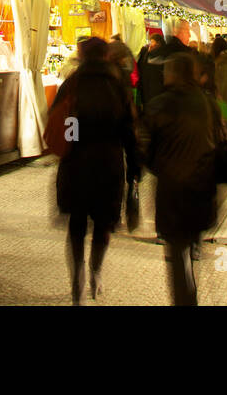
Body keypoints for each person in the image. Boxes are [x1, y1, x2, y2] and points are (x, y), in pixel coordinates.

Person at [50, 36, 139, 304]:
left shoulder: (71, 84)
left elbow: (62, 121)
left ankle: (77, 275)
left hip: (76, 163)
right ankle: (95, 271)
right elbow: (128, 132)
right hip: (108, 163)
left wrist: (75, 141)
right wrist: (134, 168)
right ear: (106, 56)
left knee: (76, 225)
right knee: (103, 224)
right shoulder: (117, 86)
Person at [139, 52, 219, 306]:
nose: (163, 75)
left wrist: (157, 166)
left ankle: (186, 299)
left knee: (176, 252)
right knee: (190, 243)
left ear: (174, 74)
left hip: (173, 190)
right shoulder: (209, 103)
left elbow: (145, 149)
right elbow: (221, 140)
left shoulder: (160, 104)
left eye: (167, 71)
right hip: (202, 187)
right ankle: (190, 287)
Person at [136, 34, 167, 115]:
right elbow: (142, 66)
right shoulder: (146, 52)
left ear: (159, 43)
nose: (151, 44)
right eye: (151, 42)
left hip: (155, 87)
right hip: (147, 86)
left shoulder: (162, 54)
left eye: (153, 42)